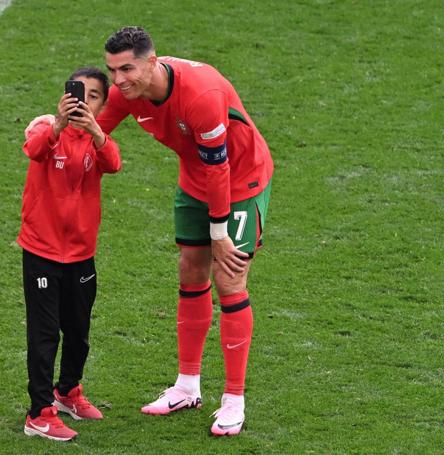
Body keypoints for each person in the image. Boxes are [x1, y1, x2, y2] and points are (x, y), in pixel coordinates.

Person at [97, 26, 274, 436]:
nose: (119, 81)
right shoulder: (127, 93)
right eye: (112, 71)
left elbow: (220, 166)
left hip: (241, 181)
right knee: (190, 271)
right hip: (196, 181)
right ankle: (187, 386)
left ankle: (234, 399)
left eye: (127, 69)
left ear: (153, 61)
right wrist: (55, 130)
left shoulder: (201, 95)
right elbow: (96, 131)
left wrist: (219, 231)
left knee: (229, 277)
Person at [18, 67, 121, 442]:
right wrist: (59, 123)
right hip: (42, 251)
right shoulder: (45, 125)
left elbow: (114, 163)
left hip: (80, 253)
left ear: (103, 104)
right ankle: (39, 412)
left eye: (94, 95)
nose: (85, 100)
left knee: (78, 330)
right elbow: (34, 149)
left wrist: (95, 131)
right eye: (81, 93)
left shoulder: (98, 139)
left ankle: (68, 392)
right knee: (45, 334)